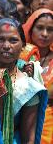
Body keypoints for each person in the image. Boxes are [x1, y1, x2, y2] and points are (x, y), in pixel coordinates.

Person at [0, 18, 48, 144]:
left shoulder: (28, 88)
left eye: (13, 40)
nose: (6, 46)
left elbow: (28, 140)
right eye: (0, 39)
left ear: (23, 46)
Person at [21, 8, 53, 144]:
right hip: (21, 118)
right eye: (40, 28)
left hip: (49, 123)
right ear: (30, 29)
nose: (45, 34)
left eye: (50, 29)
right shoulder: (20, 55)